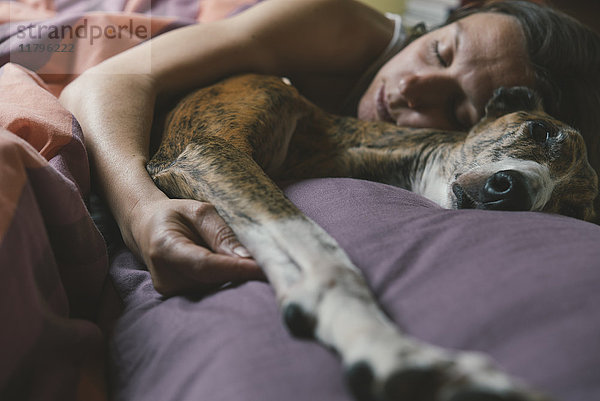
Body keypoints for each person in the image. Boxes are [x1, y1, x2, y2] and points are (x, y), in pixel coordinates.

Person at [59, 0, 600, 296]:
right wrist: (141, 208)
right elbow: (106, 82)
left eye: (457, 110)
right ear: (453, 16)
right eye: (438, 52)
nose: (412, 87)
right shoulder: (335, 22)